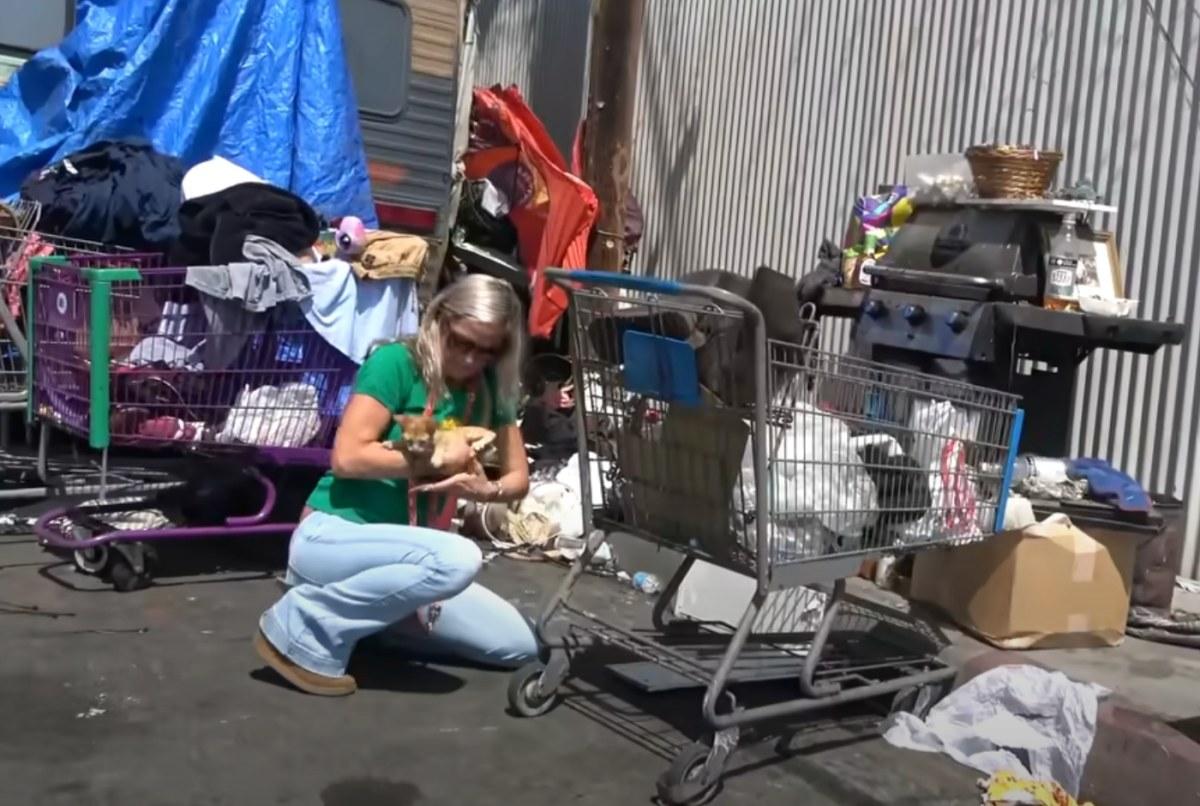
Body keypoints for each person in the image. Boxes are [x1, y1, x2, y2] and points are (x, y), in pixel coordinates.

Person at [254, 274, 537, 696]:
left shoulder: (491, 387)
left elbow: (517, 479)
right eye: (462, 342)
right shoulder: (396, 363)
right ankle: (306, 620)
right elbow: (347, 457)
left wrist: (485, 490)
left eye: (487, 350)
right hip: (336, 535)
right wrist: (437, 459)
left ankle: (371, 620)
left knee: (520, 646)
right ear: (439, 319)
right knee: (461, 558)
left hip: (413, 557)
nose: (470, 359)